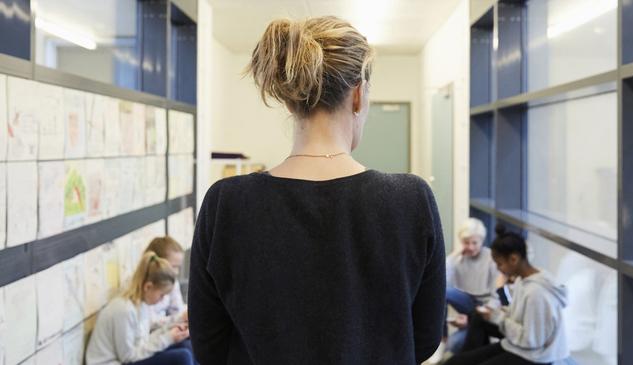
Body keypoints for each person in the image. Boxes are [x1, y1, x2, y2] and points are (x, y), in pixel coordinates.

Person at [188, 16, 446, 364]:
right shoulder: (411, 200)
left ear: (291, 100)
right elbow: (426, 336)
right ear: (358, 95)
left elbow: (208, 344)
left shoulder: (226, 203)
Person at [445, 225, 569, 365]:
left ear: (514, 259)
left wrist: (497, 316)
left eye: (499, 264)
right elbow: (515, 313)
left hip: (534, 356)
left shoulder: (536, 294)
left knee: (458, 355)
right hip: (518, 344)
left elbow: (531, 341)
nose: (498, 269)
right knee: (475, 321)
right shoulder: (523, 280)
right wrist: (497, 313)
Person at [86, 252, 197, 365]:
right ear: (148, 287)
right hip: (117, 361)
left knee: (186, 345)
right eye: (161, 295)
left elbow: (144, 341)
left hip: (129, 358)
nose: (162, 300)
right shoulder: (124, 310)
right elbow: (128, 357)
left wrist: (172, 330)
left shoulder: (142, 305)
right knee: (183, 356)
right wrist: (168, 338)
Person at [443, 218, 500, 354]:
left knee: (453, 345)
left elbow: (496, 297)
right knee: (442, 291)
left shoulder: (492, 259)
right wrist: (455, 254)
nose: (470, 247)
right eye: (466, 243)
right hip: (466, 304)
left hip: (485, 308)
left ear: (482, 241)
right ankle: (441, 337)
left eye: (475, 242)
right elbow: (440, 280)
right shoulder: (457, 259)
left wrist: (471, 319)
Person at [144, 236, 188, 328]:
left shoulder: (172, 281)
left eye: (178, 267)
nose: (176, 272)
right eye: (173, 266)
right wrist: (179, 318)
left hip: (168, 328)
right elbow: (150, 322)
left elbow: (177, 309)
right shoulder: (145, 287)